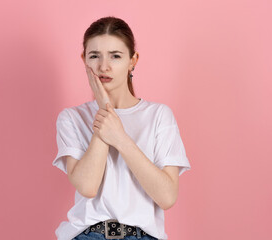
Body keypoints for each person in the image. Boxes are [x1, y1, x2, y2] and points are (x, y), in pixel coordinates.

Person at [52, 16, 191, 240]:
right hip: (86, 235)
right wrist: (105, 109)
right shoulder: (72, 118)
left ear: (132, 61)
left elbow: (166, 197)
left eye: (115, 56)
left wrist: (120, 138)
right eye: (94, 56)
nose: (103, 66)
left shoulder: (158, 116)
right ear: (84, 59)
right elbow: (88, 186)